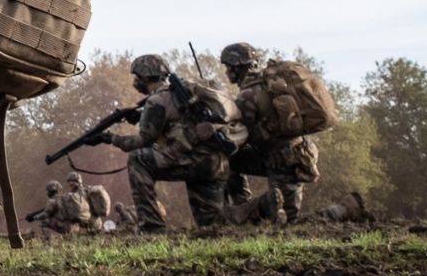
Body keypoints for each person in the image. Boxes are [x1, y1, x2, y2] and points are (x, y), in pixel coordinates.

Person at [88, 54, 231, 232]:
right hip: (216, 162)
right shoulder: (182, 93)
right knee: (212, 225)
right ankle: (261, 207)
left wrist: (109, 138)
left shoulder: (156, 101)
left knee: (138, 160)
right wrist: (141, 117)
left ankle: (152, 226)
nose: (135, 81)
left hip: (191, 160)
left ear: (146, 76)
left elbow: (142, 142)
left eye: (137, 77)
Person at [218, 43, 322, 226]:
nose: (226, 72)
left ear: (236, 67)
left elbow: (239, 137)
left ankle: (341, 211)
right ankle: (243, 206)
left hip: (282, 160)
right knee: (228, 159)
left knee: (288, 222)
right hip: (297, 154)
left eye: (228, 67)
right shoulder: (271, 85)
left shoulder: (247, 96)